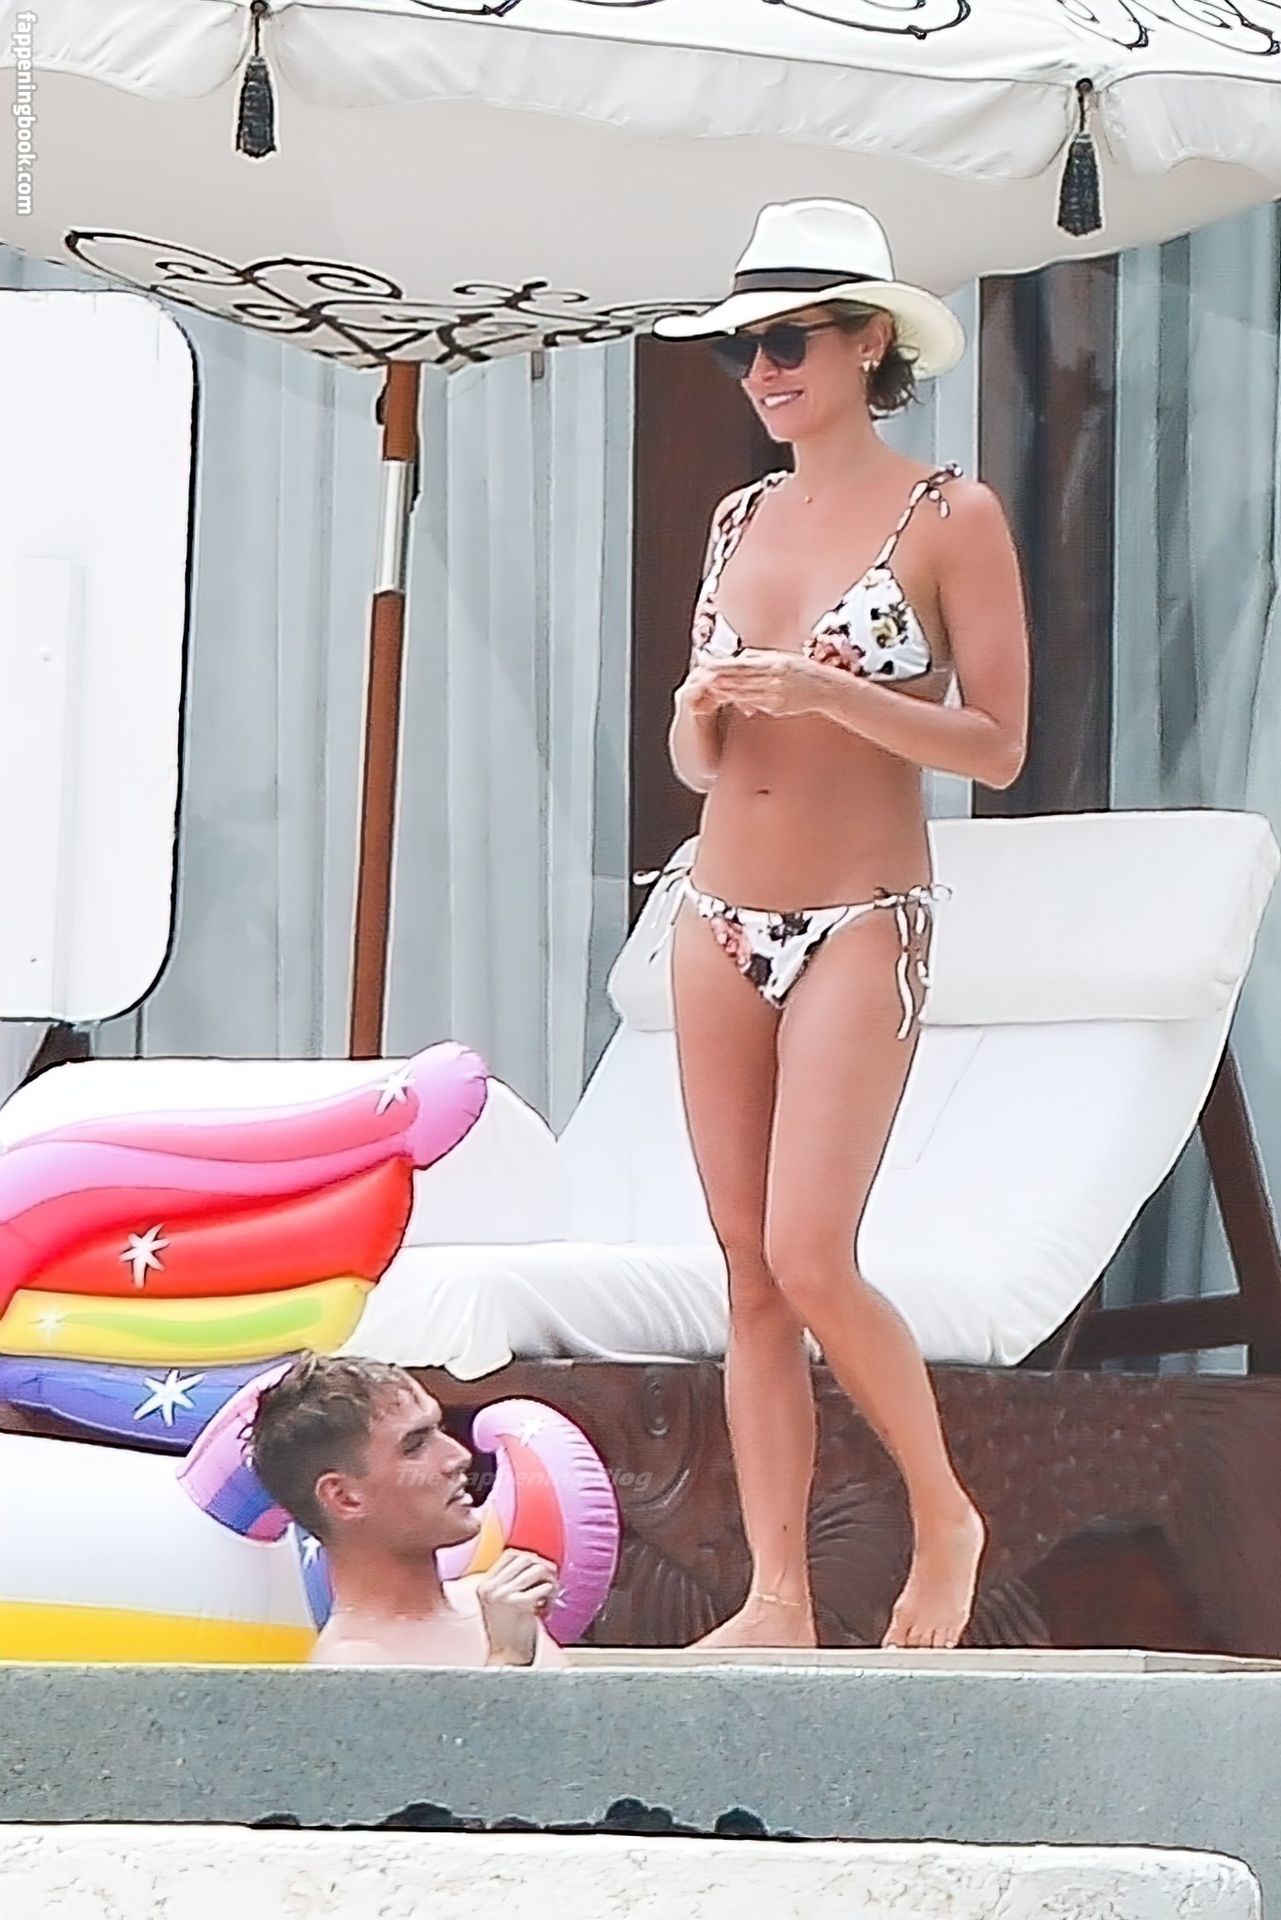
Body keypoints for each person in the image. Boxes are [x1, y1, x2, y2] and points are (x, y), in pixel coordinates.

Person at [651, 199, 1029, 1651]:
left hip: (861, 917)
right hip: (713, 912)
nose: (763, 370)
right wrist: (701, 715)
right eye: (742, 348)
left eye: (791, 340)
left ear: (870, 343)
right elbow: (697, 763)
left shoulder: (950, 516)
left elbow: (997, 745)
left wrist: (834, 696)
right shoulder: (738, 517)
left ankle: (944, 1512)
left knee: (811, 1253)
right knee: (747, 1272)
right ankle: (779, 1597)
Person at [249, 1353, 568, 1668]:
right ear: (345, 1497)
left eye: (440, 1428)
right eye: (415, 1445)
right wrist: (508, 1662)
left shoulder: (494, 1605)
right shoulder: (351, 1664)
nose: (459, 1456)